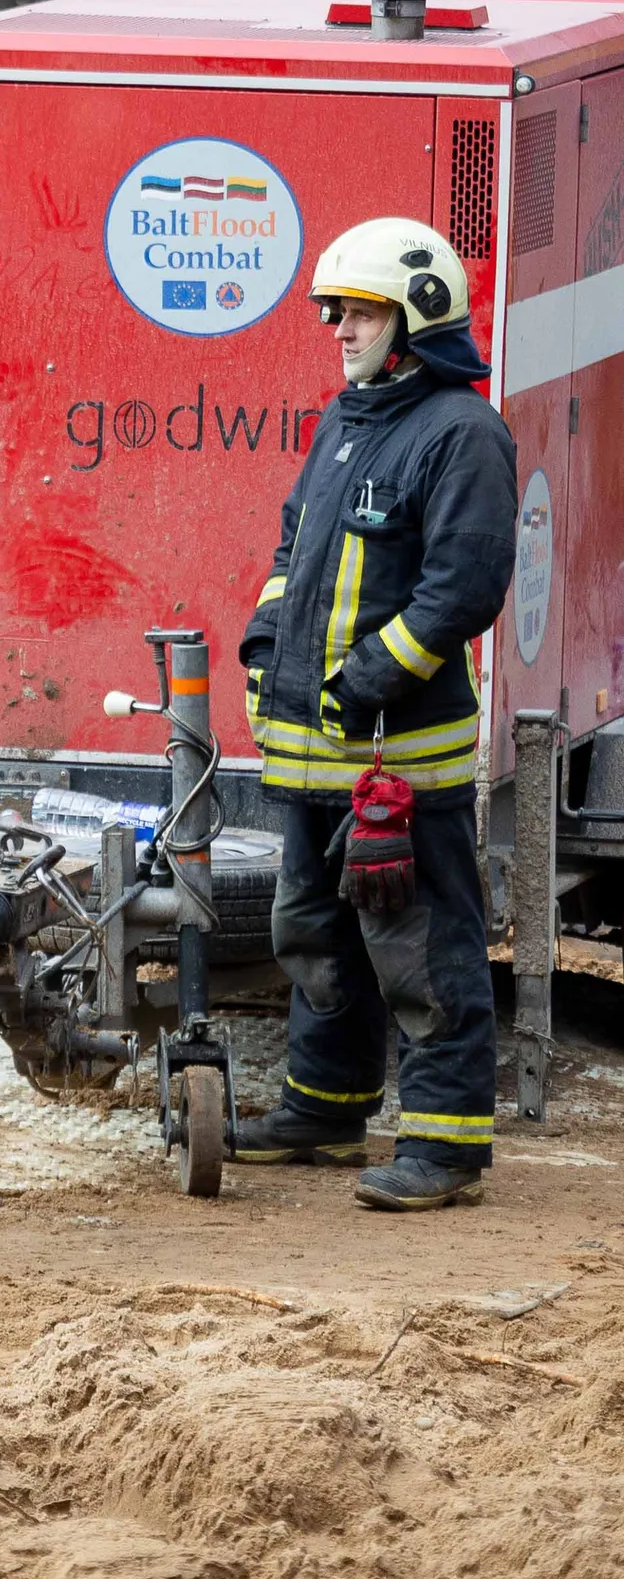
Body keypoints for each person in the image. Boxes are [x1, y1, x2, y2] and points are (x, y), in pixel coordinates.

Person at [224, 216, 516, 1212]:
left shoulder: (463, 433)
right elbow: (292, 550)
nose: (338, 330)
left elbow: (462, 588)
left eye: (356, 311)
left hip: (399, 760)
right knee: (314, 932)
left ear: (416, 317)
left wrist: (365, 680)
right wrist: (267, 648)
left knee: (419, 944)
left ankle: (443, 1142)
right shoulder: (346, 419)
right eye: (335, 312)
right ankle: (327, 1100)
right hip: (308, 755)